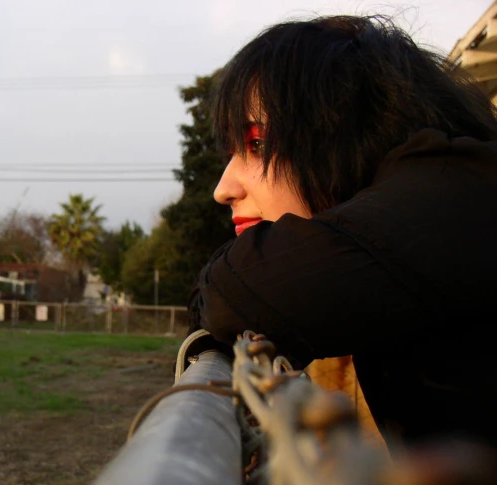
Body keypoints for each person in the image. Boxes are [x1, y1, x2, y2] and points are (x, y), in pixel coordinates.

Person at [188, 15, 497, 448]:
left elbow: (235, 290)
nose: (223, 188)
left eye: (256, 144)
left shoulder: (454, 198)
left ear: (343, 131)